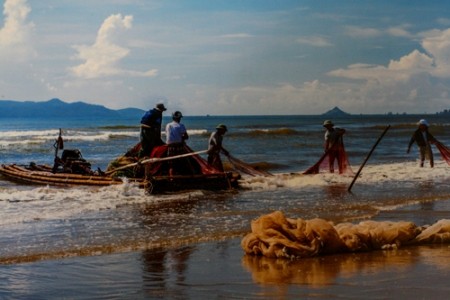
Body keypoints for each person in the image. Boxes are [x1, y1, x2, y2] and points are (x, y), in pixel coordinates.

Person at [165, 111, 189, 176]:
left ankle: (171, 177)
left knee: (171, 164)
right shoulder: (181, 125)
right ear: (179, 118)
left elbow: (168, 135)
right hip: (178, 146)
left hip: (169, 146)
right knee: (180, 162)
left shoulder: (168, 125)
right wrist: (182, 138)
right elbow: (186, 136)